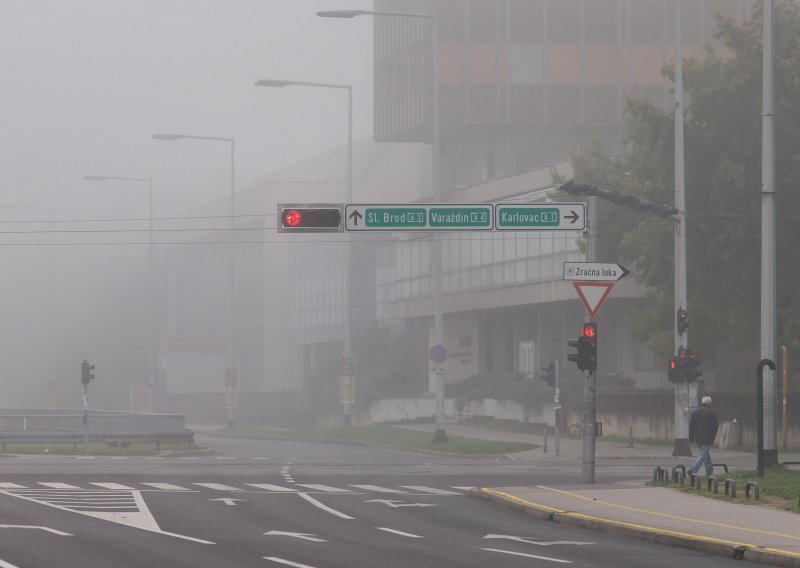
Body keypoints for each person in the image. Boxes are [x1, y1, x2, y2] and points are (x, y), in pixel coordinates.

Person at [688, 395, 720, 476]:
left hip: (698, 437)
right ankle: (693, 469)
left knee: (706, 454)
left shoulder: (695, 412)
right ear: (709, 403)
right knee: (703, 454)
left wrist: (691, 438)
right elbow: (716, 425)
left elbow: (691, 425)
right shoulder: (711, 412)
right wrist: (713, 435)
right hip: (707, 437)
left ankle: (709, 473)